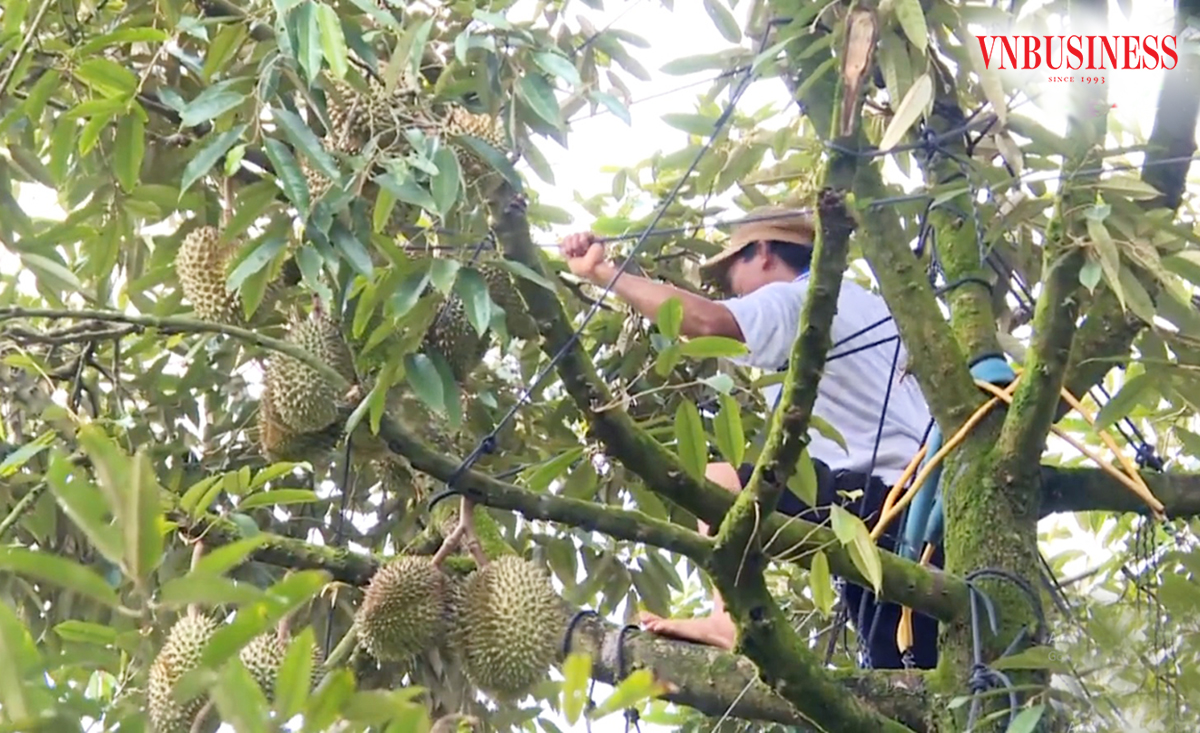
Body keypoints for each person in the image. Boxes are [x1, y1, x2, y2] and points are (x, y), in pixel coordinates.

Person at [558, 205, 942, 669]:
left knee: (719, 481)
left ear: (762, 252)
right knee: (909, 677)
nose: (731, 291)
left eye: (731, 274)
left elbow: (704, 322)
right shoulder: (875, 306)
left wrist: (605, 273)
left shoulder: (795, 299)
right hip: (926, 513)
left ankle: (727, 618)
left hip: (877, 503)